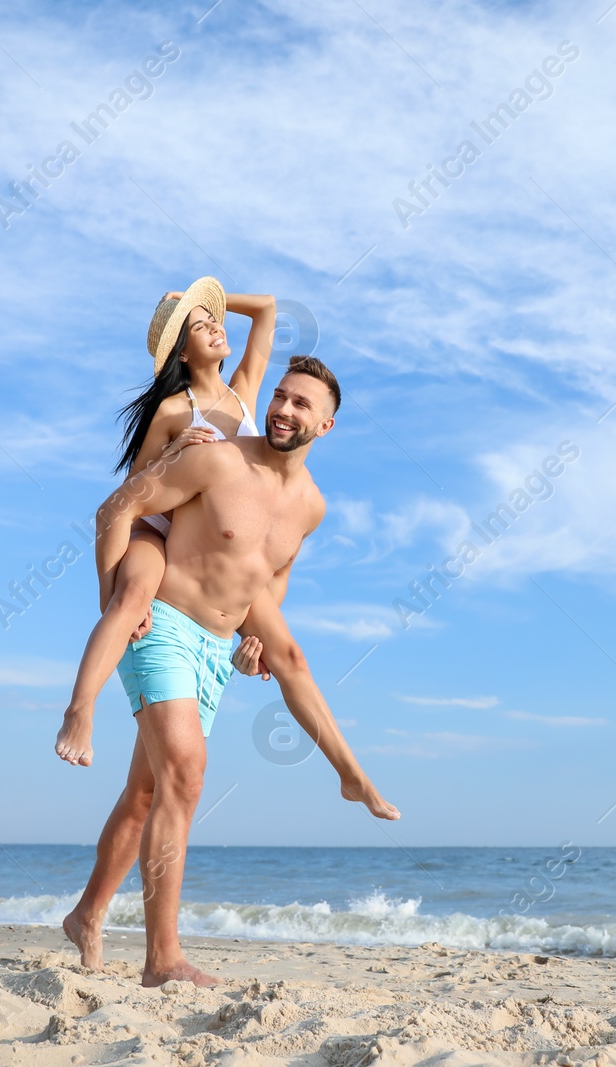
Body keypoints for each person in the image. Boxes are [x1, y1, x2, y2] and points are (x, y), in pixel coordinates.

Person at [61, 354, 400, 988]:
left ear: (325, 427)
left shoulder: (313, 507)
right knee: (185, 777)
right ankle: (163, 960)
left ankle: (86, 915)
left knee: (145, 796)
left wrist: (253, 646)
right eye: (280, 396)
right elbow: (114, 512)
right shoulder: (217, 458)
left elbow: (267, 581)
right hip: (162, 627)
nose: (283, 409)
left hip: (218, 651)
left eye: (302, 404)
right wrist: (114, 601)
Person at [55, 279, 276, 769]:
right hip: (154, 534)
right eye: (200, 327)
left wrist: (195, 299)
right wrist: (171, 454)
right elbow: (124, 502)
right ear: (181, 354)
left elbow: (266, 309)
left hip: (203, 552)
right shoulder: (174, 410)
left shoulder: (244, 394)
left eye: (212, 320)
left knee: (149, 786)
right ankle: (79, 711)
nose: (215, 326)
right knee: (131, 600)